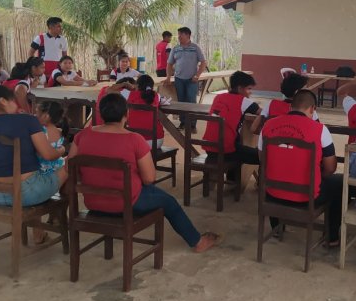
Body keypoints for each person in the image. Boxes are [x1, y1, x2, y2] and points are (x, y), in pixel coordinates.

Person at [69, 93, 221, 253]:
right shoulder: (135, 139)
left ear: (100, 113)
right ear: (126, 115)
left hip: (93, 203)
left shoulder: (81, 136)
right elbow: (149, 179)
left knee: (152, 192)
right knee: (169, 202)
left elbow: (71, 170)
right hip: (126, 204)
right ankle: (198, 242)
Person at [0, 86, 66, 240]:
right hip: (28, 193)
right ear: (2, 101)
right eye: (13, 100)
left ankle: (39, 233)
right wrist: (62, 149)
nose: (16, 105)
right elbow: (49, 155)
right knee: (68, 165)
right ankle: (56, 218)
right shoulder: (27, 120)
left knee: (35, 173)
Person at [259, 89, 345, 246]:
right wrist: (320, 176)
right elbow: (331, 167)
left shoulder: (268, 125)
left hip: (272, 194)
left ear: (290, 106)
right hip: (306, 198)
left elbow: (262, 159)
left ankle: (277, 228)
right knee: (339, 183)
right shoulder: (320, 129)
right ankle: (332, 237)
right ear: (312, 109)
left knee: (275, 172)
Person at [203, 71, 261, 171]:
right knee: (262, 156)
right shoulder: (244, 101)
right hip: (226, 150)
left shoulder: (218, 97)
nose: (251, 92)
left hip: (209, 148)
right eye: (249, 89)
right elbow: (263, 112)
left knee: (238, 146)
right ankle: (259, 184)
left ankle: (232, 179)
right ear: (239, 88)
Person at [164, 26, 206, 132]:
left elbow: (203, 62)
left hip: (192, 80)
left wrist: (197, 75)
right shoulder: (175, 48)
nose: (178, 37)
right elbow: (169, 64)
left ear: (188, 35)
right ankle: (183, 123)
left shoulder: (195, 48)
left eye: (181, 34)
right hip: (179, 79)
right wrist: (168, 77)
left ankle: (192, 125)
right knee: (181, 102)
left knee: (191, 102)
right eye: (178, 34)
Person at [251, 72, 316, 134]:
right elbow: (317, 131)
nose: (308, 91)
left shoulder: (271, 104)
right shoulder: (308, 108)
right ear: (297, 92)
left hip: (272, 141)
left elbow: (254, 128)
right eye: (305, 89)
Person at [126, 74, 170, 148]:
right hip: (155, 141)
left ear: (137, 85)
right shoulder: (155, 95)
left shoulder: (131, 95)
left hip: (135, 141)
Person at [35, 101, 67, 175]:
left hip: (43, 169)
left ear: (46, 116)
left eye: (37, 113)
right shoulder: (59, 131)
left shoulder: (41, 131)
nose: (35, 115)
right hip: (58, 166)